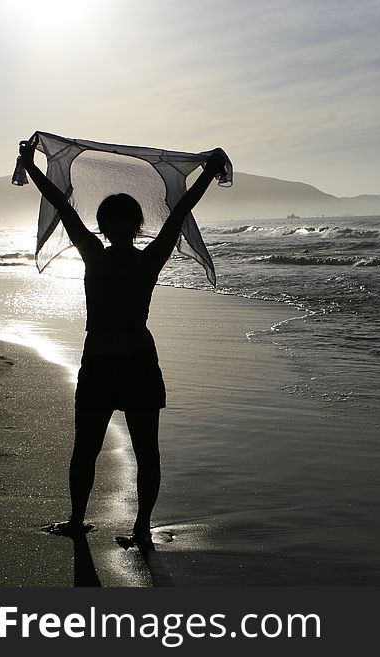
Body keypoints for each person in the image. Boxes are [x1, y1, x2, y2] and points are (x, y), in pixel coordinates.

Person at [18, 136, 227, 546]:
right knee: (92, 448)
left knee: (138, 451)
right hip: (112, 363)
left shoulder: (125, 256)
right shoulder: (112, 255)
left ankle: (139, 527)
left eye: (120, 219)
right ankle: (86, 521)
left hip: (124, 364)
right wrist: (31, 167)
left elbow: (181, 210)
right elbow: (62, 204)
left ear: (131, 225)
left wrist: (206, 174)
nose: (115, 226)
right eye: (111, 219)